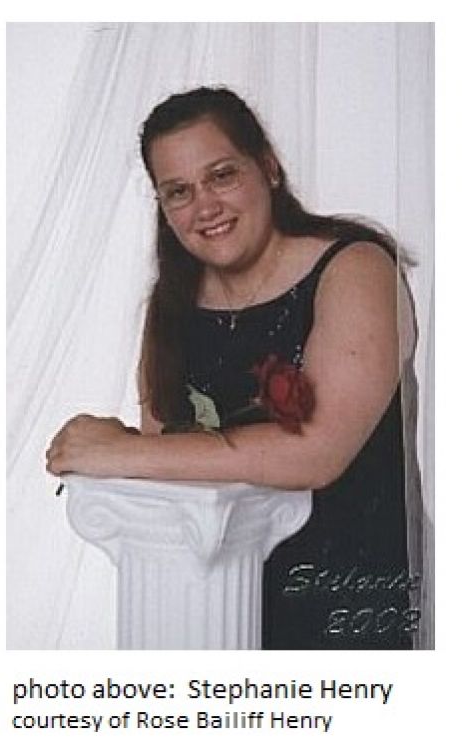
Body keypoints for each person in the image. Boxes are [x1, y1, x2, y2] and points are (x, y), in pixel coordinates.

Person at [47, 86, 420, 649]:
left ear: (268, 167)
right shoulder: (172, 303)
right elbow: (171, 459)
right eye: (179, 191)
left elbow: (318, 452)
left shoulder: (357, 268)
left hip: (346, 607)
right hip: (209, 606)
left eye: (221, 175)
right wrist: (126, 445)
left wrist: (117, 451)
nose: (205, 207)